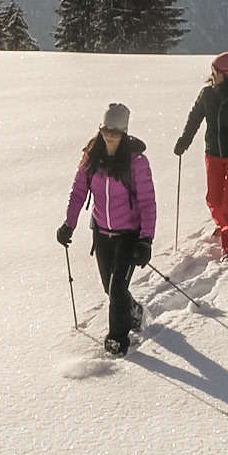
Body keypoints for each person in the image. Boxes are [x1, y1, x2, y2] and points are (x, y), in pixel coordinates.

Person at [56, 103, 156, 356]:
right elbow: (78, 192)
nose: (110, 135)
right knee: (110, 289)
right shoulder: (92, 158)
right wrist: (69, 224)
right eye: (106, 129)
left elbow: (147, 202)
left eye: (116, 130)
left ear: (124, 132)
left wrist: (146, 240)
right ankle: (134, 311)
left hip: (129, 235)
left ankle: (117, 339)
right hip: (101, 233)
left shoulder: (137, 162)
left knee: (117, 288)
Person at [173, 51, 228, 260]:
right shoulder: (207, 94)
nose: (212, 73)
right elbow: (194, 118)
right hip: (212, 153)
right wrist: (183, 142)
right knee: (213, 199)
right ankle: (224, 226)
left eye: (215, 70)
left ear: (226, 73)